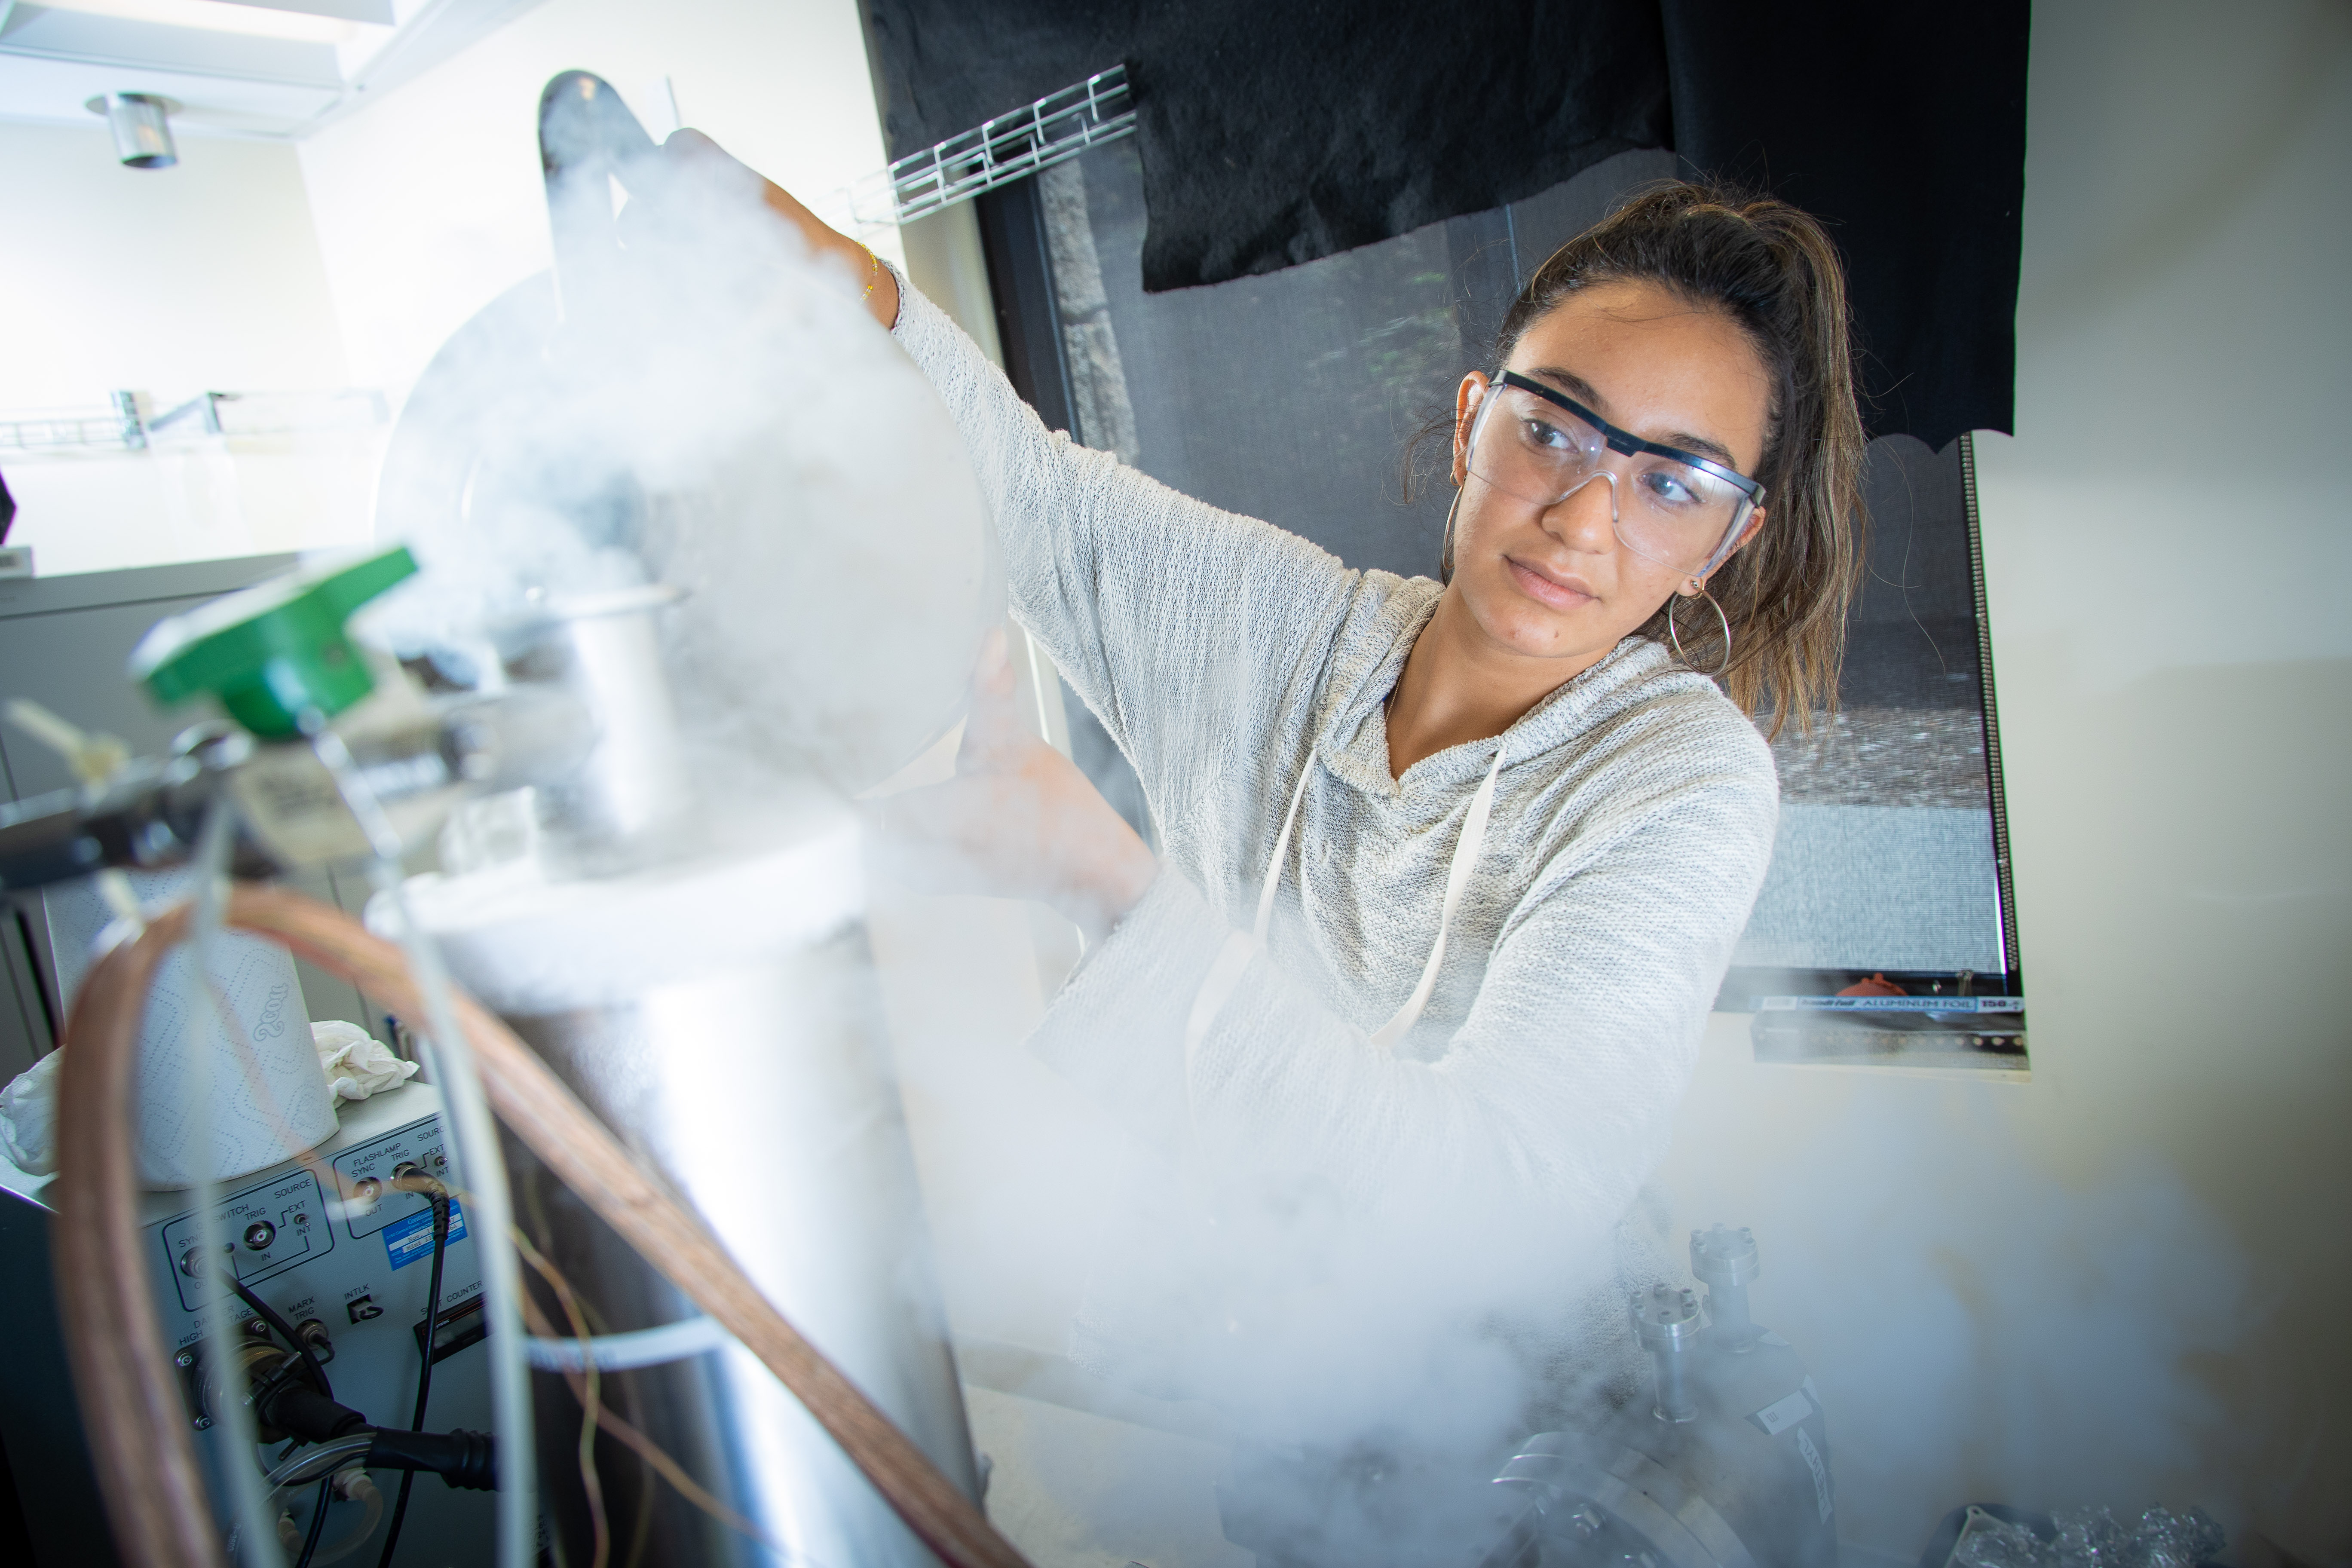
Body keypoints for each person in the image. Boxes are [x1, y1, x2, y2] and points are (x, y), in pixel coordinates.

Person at [678, 135, 1862, 1556]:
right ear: (1476, 416)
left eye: (1672, 481)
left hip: (1533, 1453)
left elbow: (1502, 1213)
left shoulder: (1675, 777)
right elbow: (1027, 493)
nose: (1581, 513)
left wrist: (1105, 884)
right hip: (1257, 1383)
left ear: (1727, 545)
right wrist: (840, 282)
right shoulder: (1285, 631)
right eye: (1553, 427)